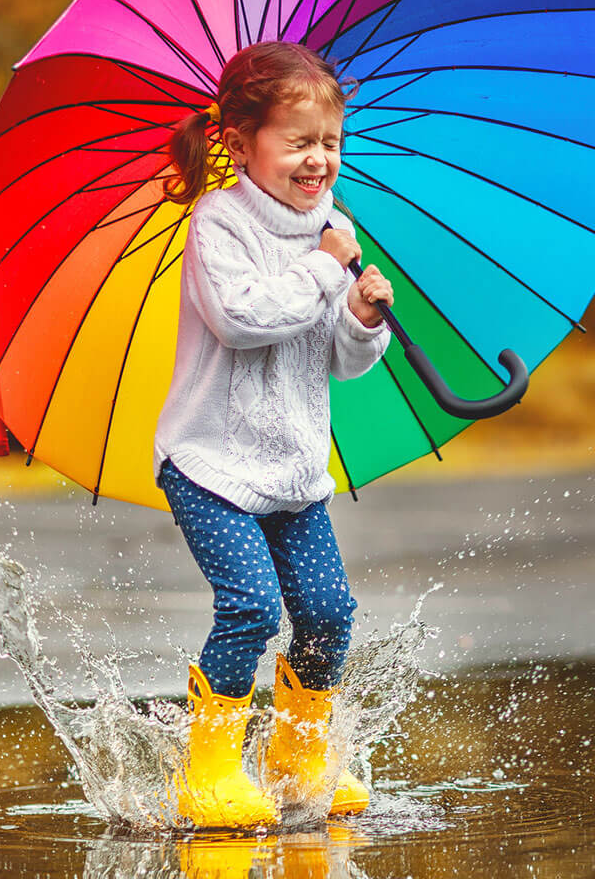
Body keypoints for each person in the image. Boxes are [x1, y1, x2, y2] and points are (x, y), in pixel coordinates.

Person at [155, 41, 393, 829]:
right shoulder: (218, 224)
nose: (318, 160)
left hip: (292, 465)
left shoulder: (335, 227)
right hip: (211, 463)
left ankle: (298, 759)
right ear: (239, 142)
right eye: (297, 142)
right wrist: (328, 270)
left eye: (329, 141)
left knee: (327, 612)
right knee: (252, 608)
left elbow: (337, 359)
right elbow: (245, 320)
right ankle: (211, 770)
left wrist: (361, 320)